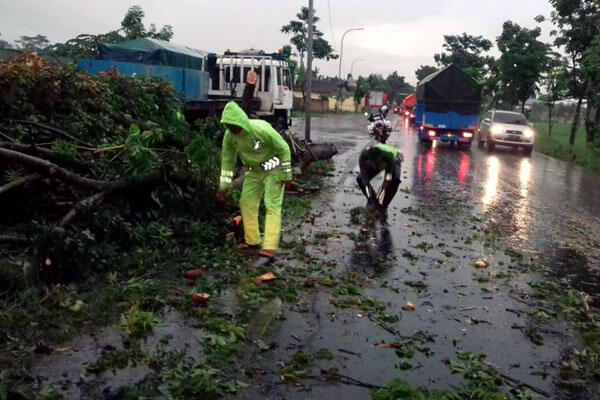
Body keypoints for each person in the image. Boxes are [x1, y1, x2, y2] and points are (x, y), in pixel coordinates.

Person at [215, 73, 292, 264]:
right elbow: (227, 163)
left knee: (272, 204)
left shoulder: (260, 129)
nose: (232, 129)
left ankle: (270, 247)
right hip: (255, 170)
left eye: (234, 125)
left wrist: (286, 173)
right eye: (228, 126)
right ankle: (253, 241)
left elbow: (283, 148)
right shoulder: (229, 137)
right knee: (247, 202)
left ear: (241, 121)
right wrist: (223, 187)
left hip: (273, 166)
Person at [356, 142, 403, 222]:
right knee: (360, 179)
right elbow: (365, 180)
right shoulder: (363, 156)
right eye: (374, 164)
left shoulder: (389, 158)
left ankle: (384, 207)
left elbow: (387, 182)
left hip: (394, 160)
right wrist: (370, 198)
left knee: (394, 182)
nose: (375, 166)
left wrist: (378, 198)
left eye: (377, 164)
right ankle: (372, 202)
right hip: (379, 160)